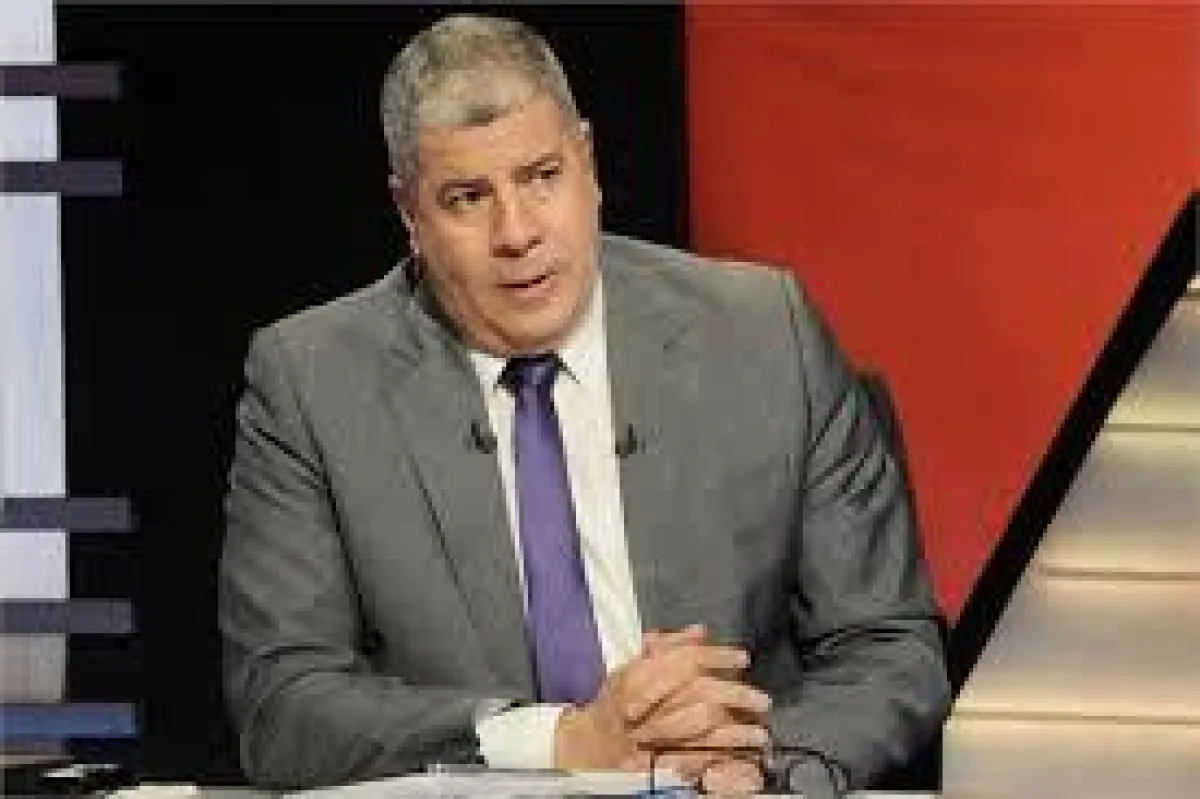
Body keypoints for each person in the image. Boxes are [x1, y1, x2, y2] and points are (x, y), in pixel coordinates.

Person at [218, 13, 949, 795]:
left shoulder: (766, 334)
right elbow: (281, 702)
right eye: (467, 197)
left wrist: (757, 767)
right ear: (410, 214)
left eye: (542, 176)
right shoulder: (313, 381)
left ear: (589, 164)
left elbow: (891, 647)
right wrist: (561, 737)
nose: (518, 232)